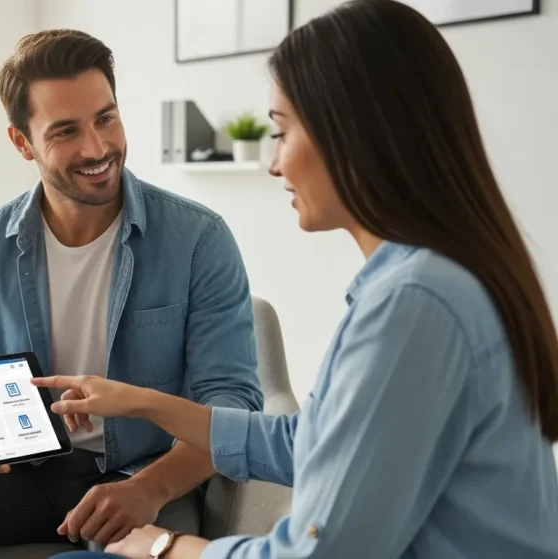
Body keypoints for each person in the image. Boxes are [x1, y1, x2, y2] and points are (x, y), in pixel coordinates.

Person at [44, 1, 558, 558]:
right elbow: (308, 440)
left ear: (354, 135)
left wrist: (164, 548)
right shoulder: (429, 280)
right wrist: (144, 402)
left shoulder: (415, 304)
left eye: (281, 133)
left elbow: (321, 553)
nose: (274, 164)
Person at [0, 29, 264, 558]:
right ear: (22, 142)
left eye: (106, 118)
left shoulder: (199, 239)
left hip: (145, 477)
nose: (96, 148)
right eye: (66, 131)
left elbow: (232, 402)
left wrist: (149, 489)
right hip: (29, 475)